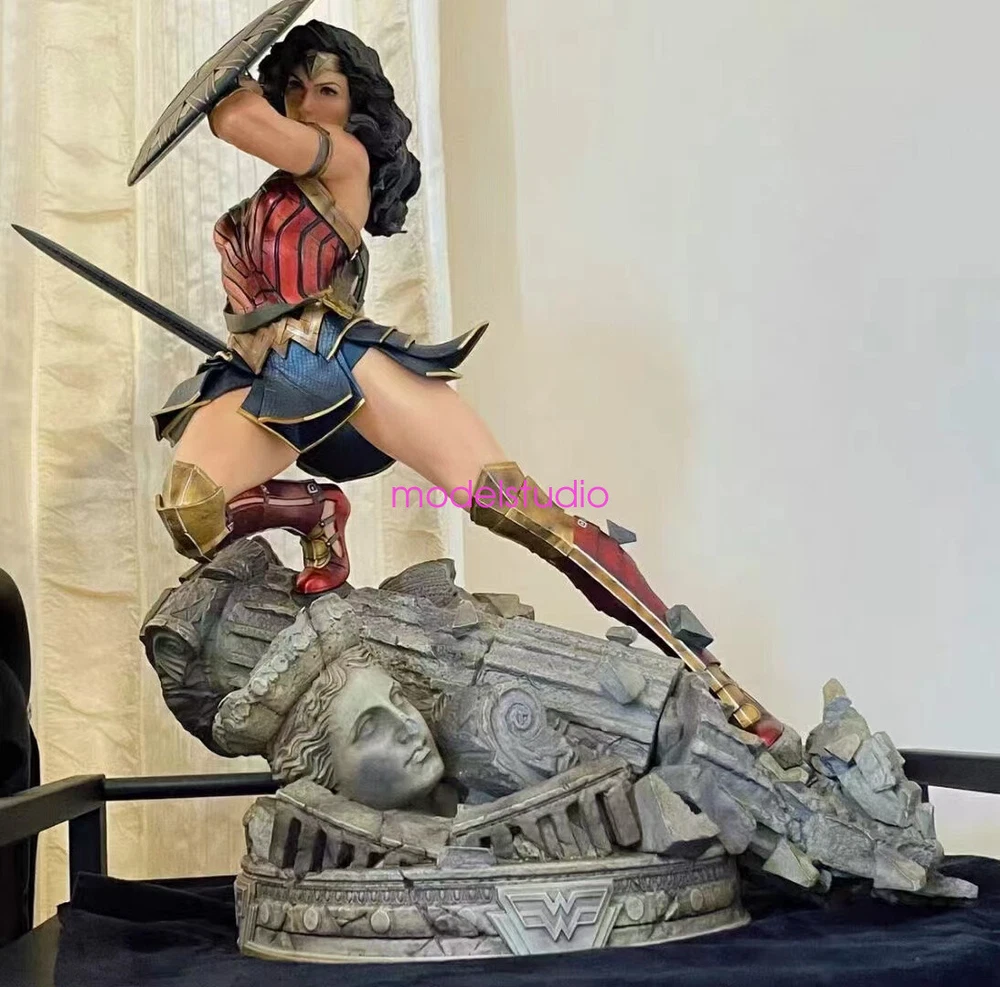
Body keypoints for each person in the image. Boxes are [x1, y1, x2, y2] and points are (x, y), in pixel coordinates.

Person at [152, 20, 781, 745]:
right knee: (190, 509)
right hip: (259, 375)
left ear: (354, 106)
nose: (306, 103)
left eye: (326, 90)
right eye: (293, 88)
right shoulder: (273, 189)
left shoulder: (344, 160)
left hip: (341, 360)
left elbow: (238, 122)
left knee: (527, 514)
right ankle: (315, 512)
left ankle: (711, 676)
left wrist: (229, 90)